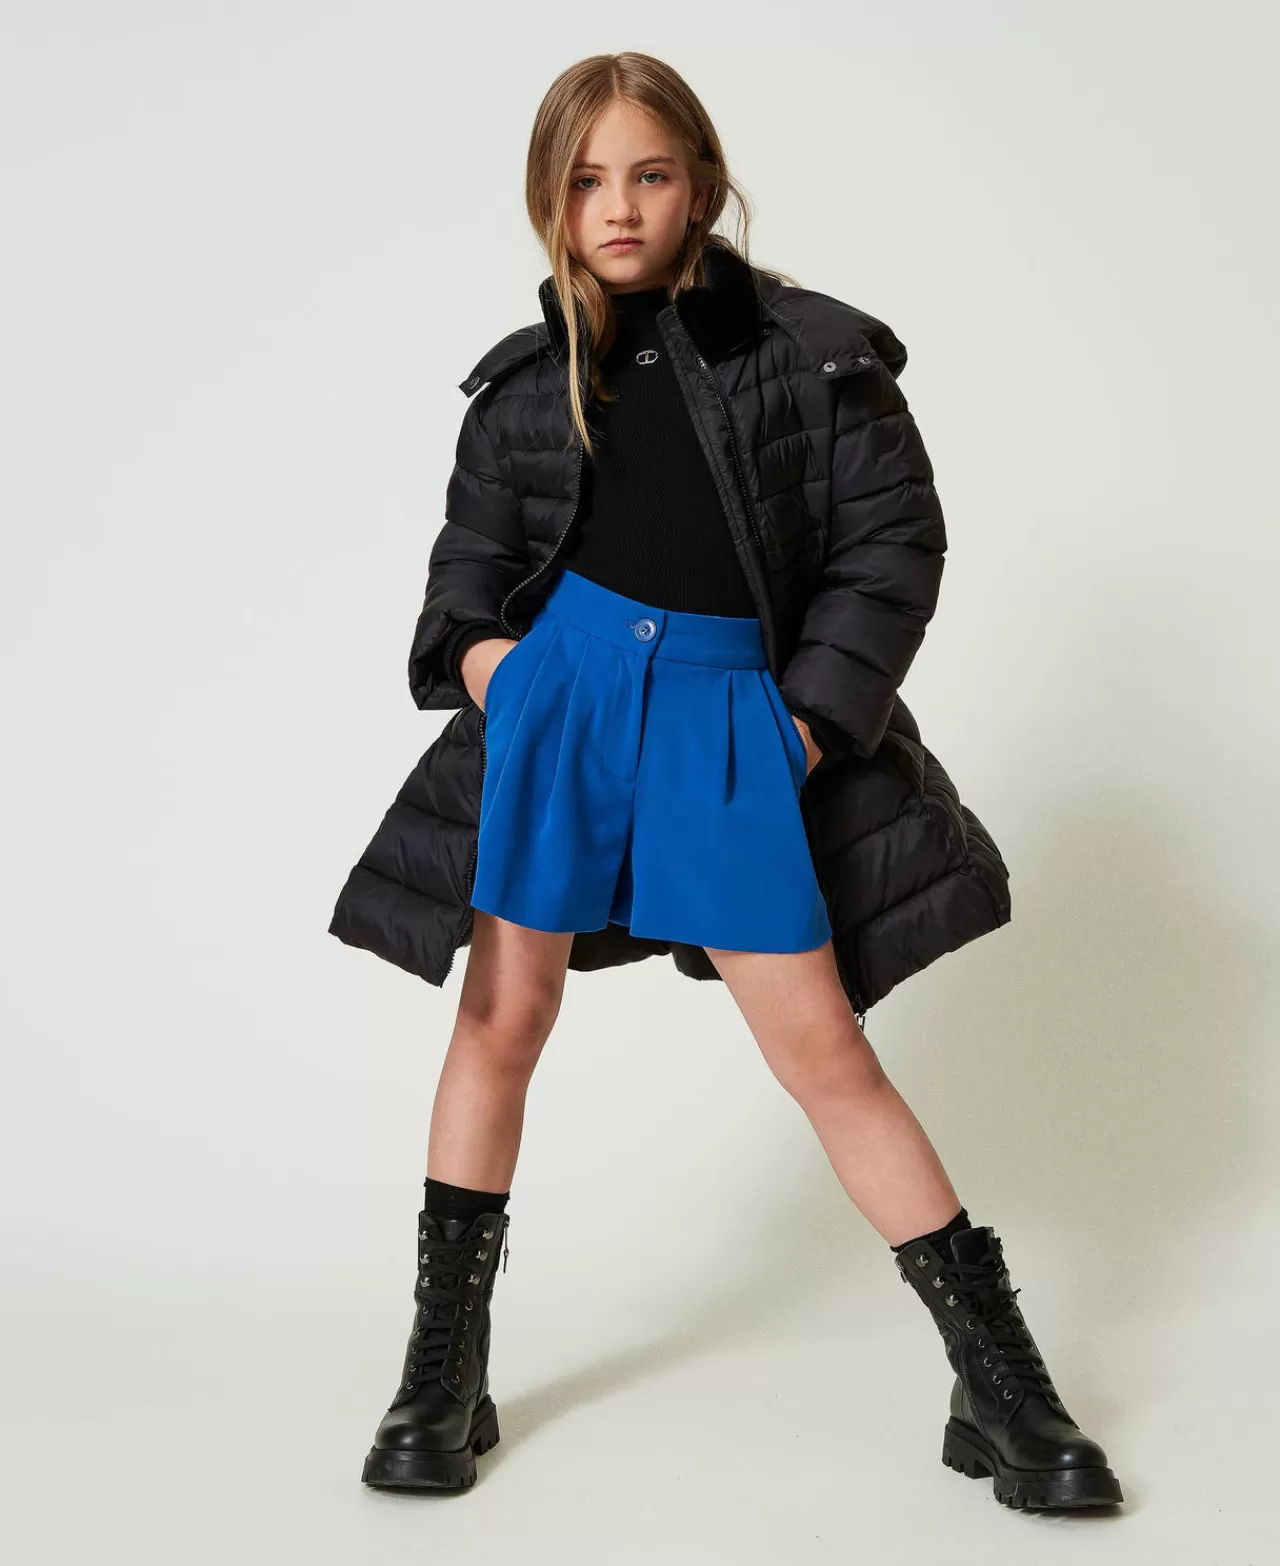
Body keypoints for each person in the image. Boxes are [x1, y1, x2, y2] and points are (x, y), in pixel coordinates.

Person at [329, 52, 1123, 1510]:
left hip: (729, 714)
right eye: (585, 181)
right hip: (564, 697)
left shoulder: (814, 356)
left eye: (648, 173)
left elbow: (892, 546)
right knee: (501, 1016)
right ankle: (443, 1373)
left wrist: (807, 724)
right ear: (550, 200)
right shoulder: (522, 386)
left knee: (822, 1045)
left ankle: (1000, 1385)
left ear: (700, 181)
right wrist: (499, 666)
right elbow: (470, 566)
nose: (618, 207)